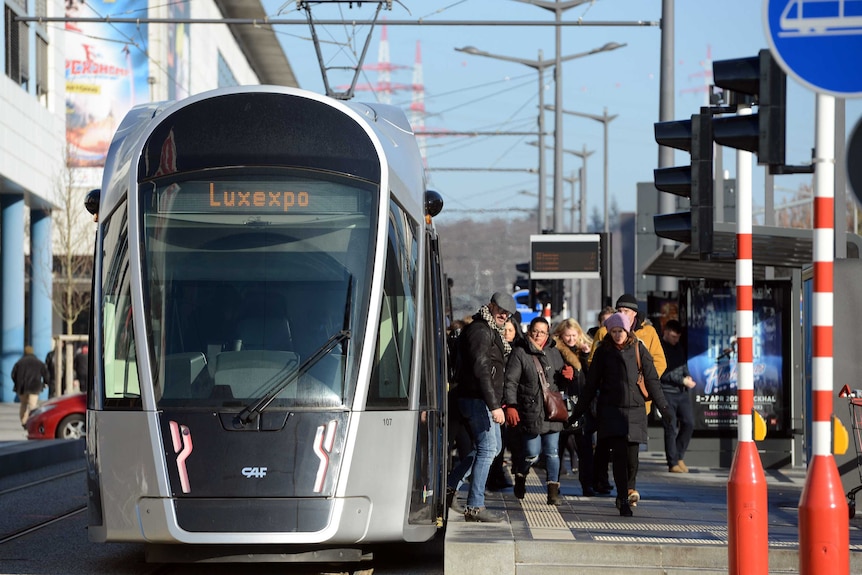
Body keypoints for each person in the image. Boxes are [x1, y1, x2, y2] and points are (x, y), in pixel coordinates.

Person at [570, 312, 669, 517]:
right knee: (620, 455)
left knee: (632, 458)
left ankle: (629, 488)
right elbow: (591, 386)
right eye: (613, 331)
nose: (617, 335)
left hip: (635, 410)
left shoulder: (639, 348)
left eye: (620, 331)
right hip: (612, 411)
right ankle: (623, 498)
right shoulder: (603, 352)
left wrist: (664, 408)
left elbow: (652, 380)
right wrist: (577, 412)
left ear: (627, 330)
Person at [445, 291, 517, 523]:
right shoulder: (480, 331)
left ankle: (449, 487)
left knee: (492, 449)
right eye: (501, 310)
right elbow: (481, 369)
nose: (504, 315)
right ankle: (474, 506)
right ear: (491, 306)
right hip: (477, 398)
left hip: (481, 398)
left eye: (508, 313)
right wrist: (495, 406)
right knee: (487, 449)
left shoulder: (490, 331)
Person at [588, 294, 668, 496]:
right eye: (619, 310)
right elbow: (593, 362)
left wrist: (641, 379)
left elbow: (659, 362)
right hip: (611, 402)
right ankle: (606, 483)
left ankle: (629, 488)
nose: (621, 314)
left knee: (631, 451)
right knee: (607, 447)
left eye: (626, 311)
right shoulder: (604, 332)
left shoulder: (647, 333)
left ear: (634, 314)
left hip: (638, 402)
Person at [504, 317, 570, 505]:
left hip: (552, 411)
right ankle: (521, 474)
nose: (539, 335)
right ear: (529, 331)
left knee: (553, 453)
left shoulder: (554, 352)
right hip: (530, 410)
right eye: (535, 331)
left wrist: (568, 376)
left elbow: (559, 382)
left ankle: (553, 492)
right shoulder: (520, 353)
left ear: (548, 334)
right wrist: (511, 405)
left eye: (542, 332)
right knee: (532, 453)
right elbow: (511, 382)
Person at [553, 318, 595, 496]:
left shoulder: (585, 350)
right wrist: (563, 375)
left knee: (585, 449)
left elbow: (591, 378)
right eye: (567, 335)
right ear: (561, 335)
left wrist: (585, 357)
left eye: (573, 335)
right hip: (561, 405)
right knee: (557, 448)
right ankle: (554, 485)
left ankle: (587, 484)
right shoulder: (555, 350)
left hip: (581, 405)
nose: (570, 339)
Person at [486, 315, 526, 491]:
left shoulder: (520, 350)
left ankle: (516, 472)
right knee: (497, 443)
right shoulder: (495, 348)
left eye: (511, 330)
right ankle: (495, 475)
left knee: (516, 443)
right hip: (498, 402)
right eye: (504, 330)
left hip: (516, 403)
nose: (507, 333)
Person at [659, 319, 696, 473]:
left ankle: (679, 455)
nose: (676, 340)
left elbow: (683, 365)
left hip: (681, 392)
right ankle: (672, 462)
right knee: (670, 427)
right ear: (666, 333)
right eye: (673, 337)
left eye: (677, 337)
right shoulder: (660, 348)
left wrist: (688, 376)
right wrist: (682, 380)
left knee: (689, 423)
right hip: (667, 392)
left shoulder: (678, 347)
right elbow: (662, 372)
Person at [12, 346, 49, 427]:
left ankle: (24, 422)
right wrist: (46, 383)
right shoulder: (39, 362)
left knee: (23, 404)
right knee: (32, 405)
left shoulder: (19, 362)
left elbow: (13, 375)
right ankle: (32, 422)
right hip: (35, 386)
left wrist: (17, 383)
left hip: (22, 387)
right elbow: (46, 374)